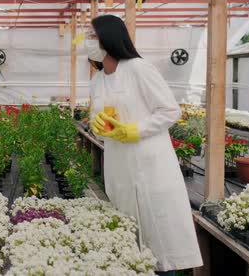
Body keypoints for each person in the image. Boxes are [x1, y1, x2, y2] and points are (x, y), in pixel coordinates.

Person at [84, 15, 202, 275]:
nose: (87, 41)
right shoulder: (98, 79)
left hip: (150, 163)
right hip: (118, 163)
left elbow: (169, 110)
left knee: (157, 236)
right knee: (131, 239)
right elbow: (96, 116)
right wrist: (97, 124)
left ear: (109, 37)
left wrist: (136, 130)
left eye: (92, 35)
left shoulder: (138, 68)